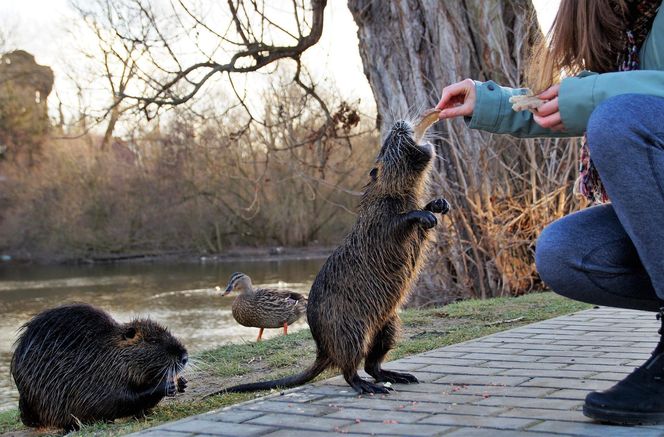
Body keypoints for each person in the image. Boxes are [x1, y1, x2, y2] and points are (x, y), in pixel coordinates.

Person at [436, 0, 664, 426]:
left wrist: (598, 96)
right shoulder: (634, 26)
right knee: (567, 252)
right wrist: (490, 102)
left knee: (616, 117)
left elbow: (621, 109)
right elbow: (563, 105)